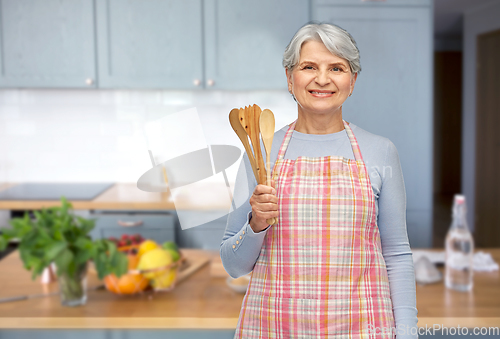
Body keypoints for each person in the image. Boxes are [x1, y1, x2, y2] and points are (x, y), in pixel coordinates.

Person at [221, 23, 418, 338]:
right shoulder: (260, 155)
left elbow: (396, 253)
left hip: (362, 325)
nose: (322, 79)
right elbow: (233, 265)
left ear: (352, 81)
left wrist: (407, 332)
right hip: (274, 324)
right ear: (290, 78)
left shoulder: (380, 151)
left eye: (336, 68)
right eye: (308, 66)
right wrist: (256, 224)